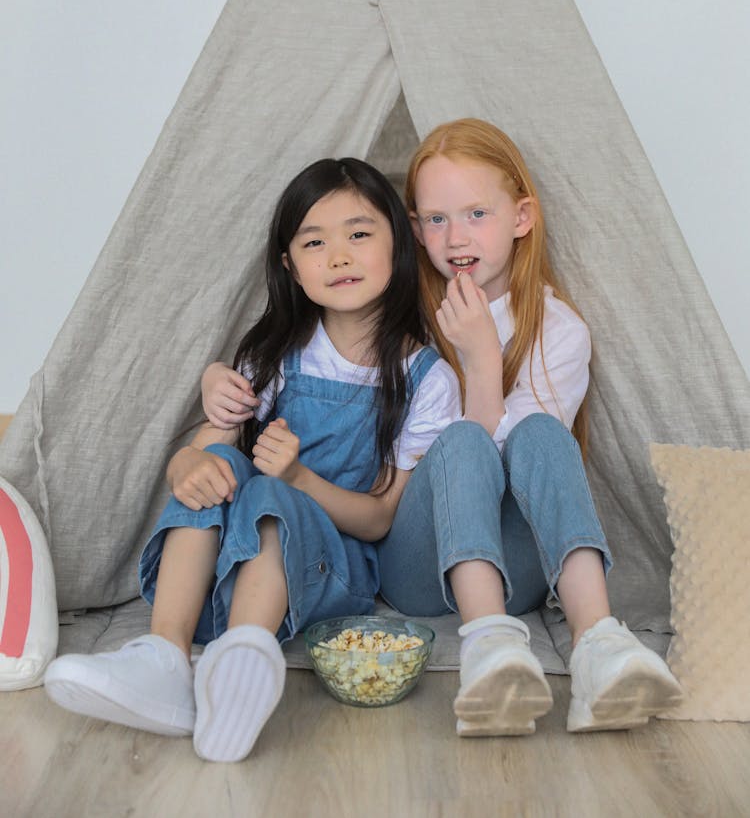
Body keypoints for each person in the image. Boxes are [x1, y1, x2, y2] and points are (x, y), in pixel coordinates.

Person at [44, 157, 461, 762]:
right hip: (236, 566)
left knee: (267, 490)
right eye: (314, 242)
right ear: (291, 266)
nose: (338, 256)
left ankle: (241, 662)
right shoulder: (274, 353)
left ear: (400, 243)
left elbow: (379, 522)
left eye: (359, 233)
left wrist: (295, 476)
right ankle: (165, 656)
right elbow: (207, 448)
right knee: (224, 468)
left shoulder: (424, 378)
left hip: (332, 569)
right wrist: (185, 465)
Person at [375, 117, 682, 736]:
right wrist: (482, 363)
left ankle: (597, 641)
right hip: (416, 562)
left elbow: (525, 463)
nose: (455, 237)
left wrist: (486, 357)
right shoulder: (402, 317)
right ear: (416, 229)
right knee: (462, 439)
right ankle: (488, 647)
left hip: (516, 568)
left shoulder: (558, 329)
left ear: (521, 218)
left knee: (541, 433)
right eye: (436, 219)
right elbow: (439, 463)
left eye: (476, 214)